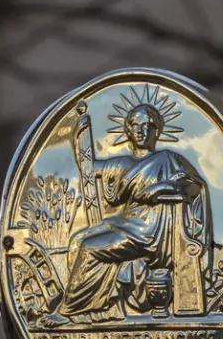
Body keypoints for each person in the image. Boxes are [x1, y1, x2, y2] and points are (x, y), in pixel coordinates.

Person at [49, 100, 210, 325]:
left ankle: (69, 310)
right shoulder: (122, 163)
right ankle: (101, 309)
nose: (140, 130)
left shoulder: (168, 160)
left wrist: (162, 187)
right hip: (125, 223)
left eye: (147, 125)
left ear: (157, 130)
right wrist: (78, 136)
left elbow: (193, 186)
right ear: (128, 130)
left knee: (89, 249)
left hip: (150, 231)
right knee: (77, 240)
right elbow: (89, 167)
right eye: (135, 125)